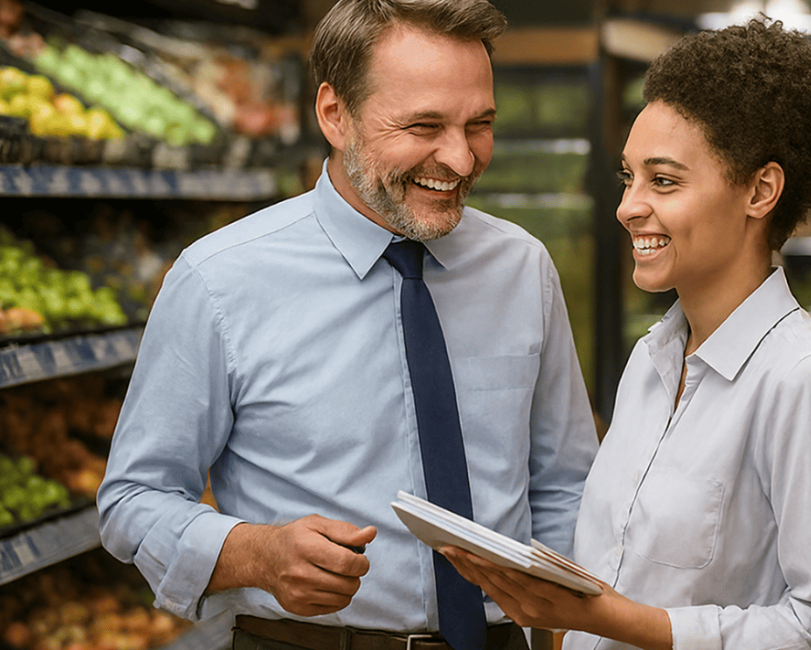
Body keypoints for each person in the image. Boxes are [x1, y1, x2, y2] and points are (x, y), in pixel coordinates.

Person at [95, 2, 599, 650]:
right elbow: (133, 498)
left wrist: (565, 630)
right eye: (424, 125)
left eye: (480, 124)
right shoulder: (219, 280)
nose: (461, 157)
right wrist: (253, 553)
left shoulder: (522, 269)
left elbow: (565, 483)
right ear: (335, 114)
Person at [443, 18, 811, 650]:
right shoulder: (651, 360)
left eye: (664, 180)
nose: (628, 206)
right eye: (628, 177)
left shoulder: (802, 380)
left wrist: (614, 620)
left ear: (761, 190)